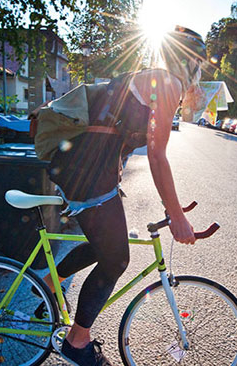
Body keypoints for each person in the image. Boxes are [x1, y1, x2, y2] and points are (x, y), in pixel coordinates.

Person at [39, 26, 208, 366]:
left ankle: (45, 284)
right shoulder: (169, 82)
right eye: (200, 65)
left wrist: (172, 205)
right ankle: (77, 342)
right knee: (116, 259)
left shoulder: (157, 79)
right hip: (85, 169)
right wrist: (175, 215)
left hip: (82, 164)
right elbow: (158, 155)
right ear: (192, 62)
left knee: (110, 245)